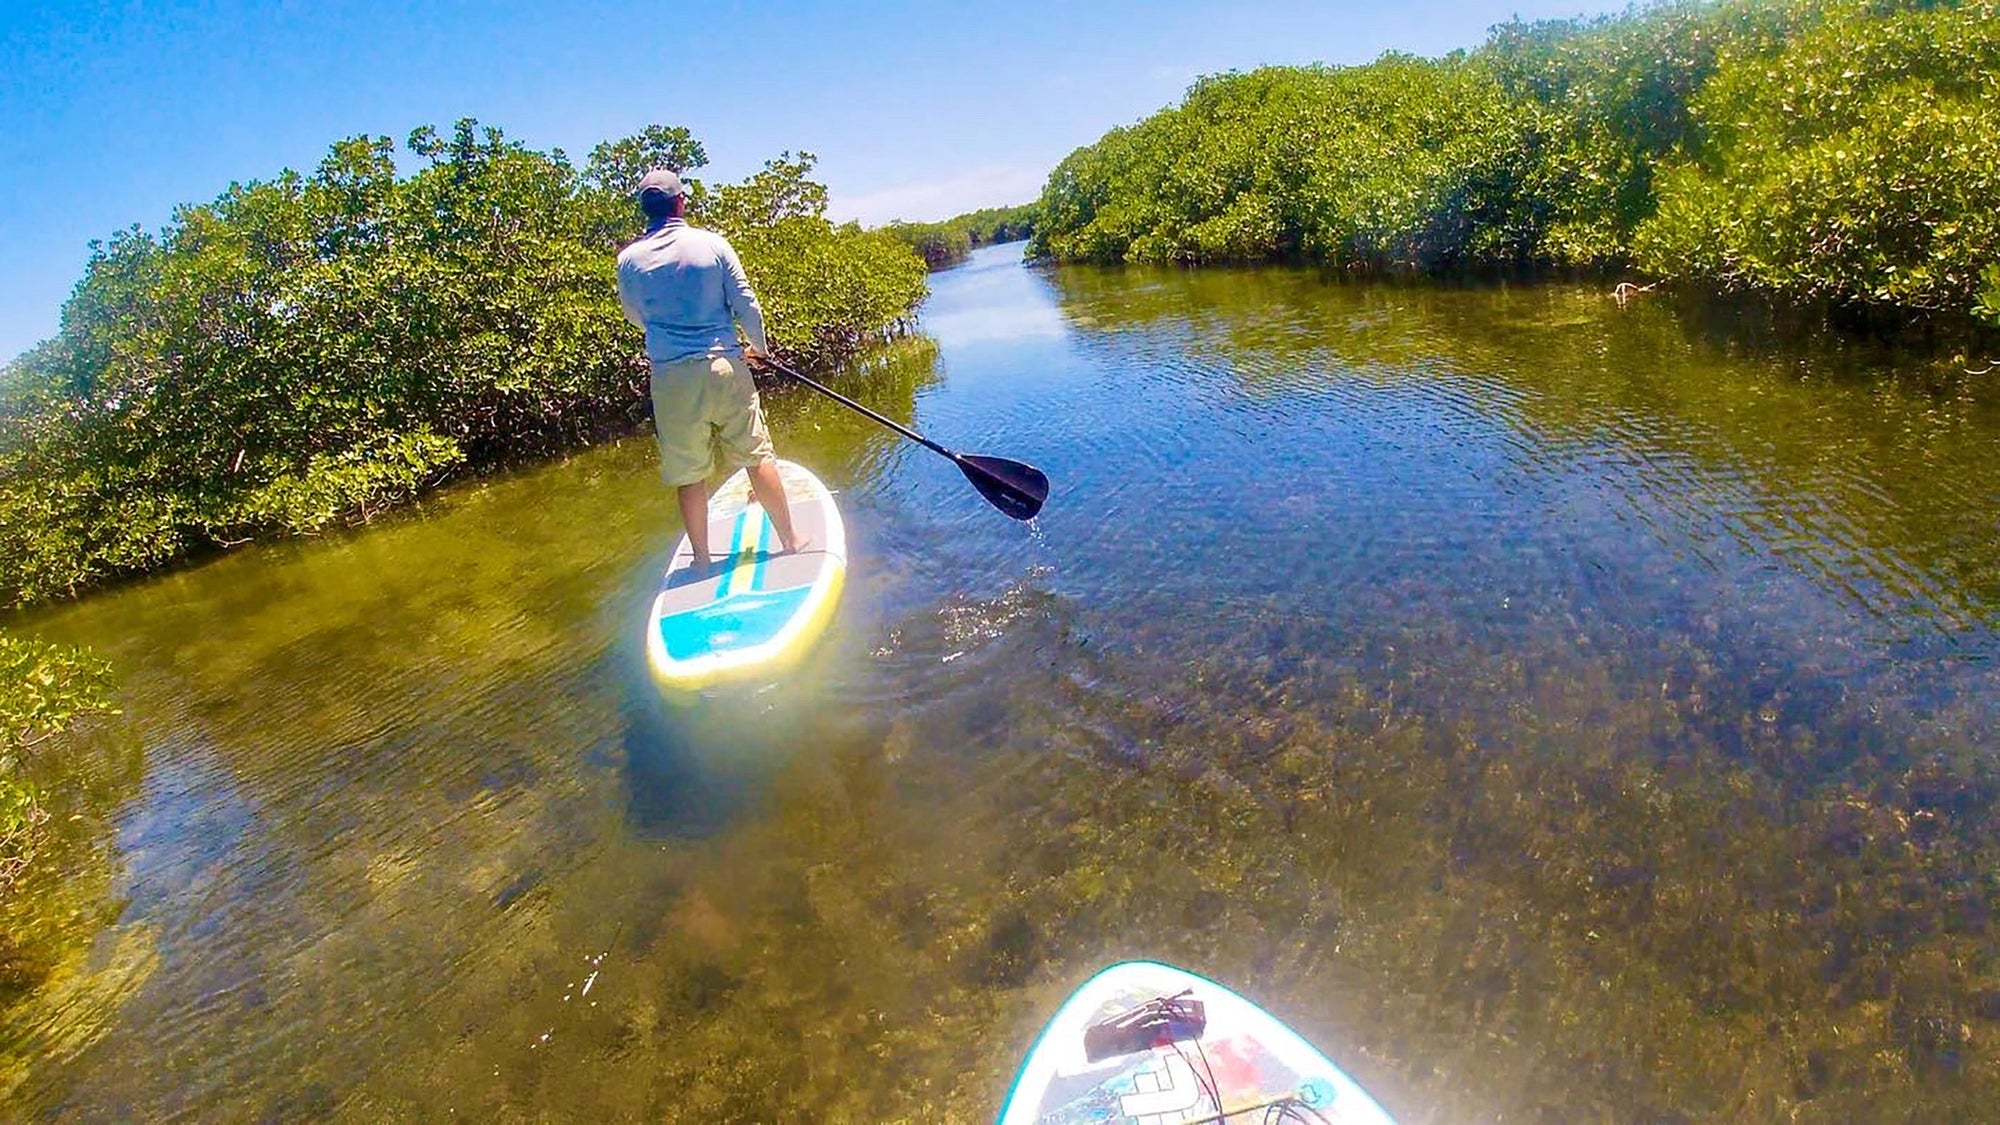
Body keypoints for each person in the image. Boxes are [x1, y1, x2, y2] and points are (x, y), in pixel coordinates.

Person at [616, 168, 804, 569]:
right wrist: (760, 349)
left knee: (688, 474)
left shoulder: (628, 260)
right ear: (680, 202)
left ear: (643, 210)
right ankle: (790, 540)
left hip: (670, 378)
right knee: (757, 456)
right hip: (724, 364)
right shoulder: (712, 244)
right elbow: (746, 304)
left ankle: (702, 559)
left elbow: (635, 316)